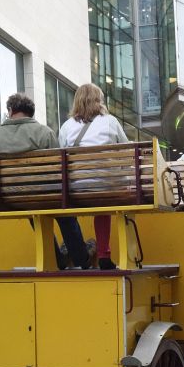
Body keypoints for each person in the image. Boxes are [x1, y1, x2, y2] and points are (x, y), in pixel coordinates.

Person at [0, 92, 95, 269]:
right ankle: (81, 258)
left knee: (33, 211)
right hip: (44, 196)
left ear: (11, 111)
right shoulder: (45, 133)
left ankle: (57, 257)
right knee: (65, 215)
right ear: (31, 113)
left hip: (9, 198)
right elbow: (58, 172)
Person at [59, 83, 128, 270]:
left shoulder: (66, 126)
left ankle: (78, 252)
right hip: (106, 188)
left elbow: (60, 156)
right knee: (103, 203)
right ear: (99, 101)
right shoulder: (110, 121)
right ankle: (104, 254)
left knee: (71, 208)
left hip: (76, 189)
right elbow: (127, 150)